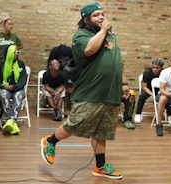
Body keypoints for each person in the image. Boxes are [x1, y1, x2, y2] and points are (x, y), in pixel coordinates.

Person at [40, 2, 128, 180]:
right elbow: (89, 50)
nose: (101, 17)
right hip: (90, 92)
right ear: (86, 19)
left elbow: (119, 62)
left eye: (102, 14)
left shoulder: (110, 37)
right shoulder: (81, 35)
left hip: (109, 94)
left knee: (102, 131)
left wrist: (124, 84)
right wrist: (103, 31)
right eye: (96, 15)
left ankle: (101, 166)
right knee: (75, 124)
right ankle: (49, 142)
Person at [0, 45, 27, 135]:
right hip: (5, 89)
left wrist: (13, 87)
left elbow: (23, 80)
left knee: (18, 96)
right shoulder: (1, 66)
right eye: (15, 52)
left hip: (18, 89)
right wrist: (4, 86)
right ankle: (13, 122)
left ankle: (10, 120)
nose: (17, 54)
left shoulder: (21, 65)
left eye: (18, 53)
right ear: (9, 53)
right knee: (3, 94)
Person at [134, 60, 171, 124]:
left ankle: (170, 115)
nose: (154, 69)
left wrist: (158, 94)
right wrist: (152, 95)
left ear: (161, 68)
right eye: (153, 67)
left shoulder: (165, 73)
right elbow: (144, 87)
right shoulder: (147, 73)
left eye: (157, 68)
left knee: (167, 96)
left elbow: (166, 87)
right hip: (148, 89)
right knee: (142, 95)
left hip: (160, 89)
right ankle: (138, 114)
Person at [45, 45, 74, 110]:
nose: (63, 57)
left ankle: (71, 102)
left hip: (67, 69)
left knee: (70, 84)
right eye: (62, 56)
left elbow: (73, 64)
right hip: (55, 69)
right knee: (50, 81)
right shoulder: (55, 51)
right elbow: (50, 63)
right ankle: (48, 102)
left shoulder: (71, 52)